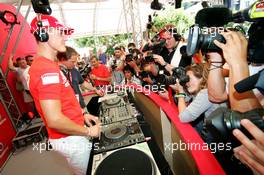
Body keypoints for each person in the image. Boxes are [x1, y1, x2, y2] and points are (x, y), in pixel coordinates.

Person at [28, 15, 101, 175]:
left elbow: (63, 103)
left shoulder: (48, 65)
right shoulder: (46, 69)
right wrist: (88, 132)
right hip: (71, 138)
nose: (65, 37)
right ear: (43, 34)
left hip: (71, 132)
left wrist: (82, 115)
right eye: (60, 33)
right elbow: (54, 120)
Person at [174, 63, 226, 134]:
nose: (186, 83)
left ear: (202, 78)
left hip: (214, 138)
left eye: (189, 79)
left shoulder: (206, 93)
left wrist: (180, 91)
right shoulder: (207, 89)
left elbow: (183, 117)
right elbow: (185, 99)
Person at [57, 46, 103, 110]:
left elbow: (83, 83)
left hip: (81, 104)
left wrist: (95, 89)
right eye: (72, 62)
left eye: (76, 61)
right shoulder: (57, 73)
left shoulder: (74, 70)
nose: (75, 64)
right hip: (70, 108)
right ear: (62, 59)